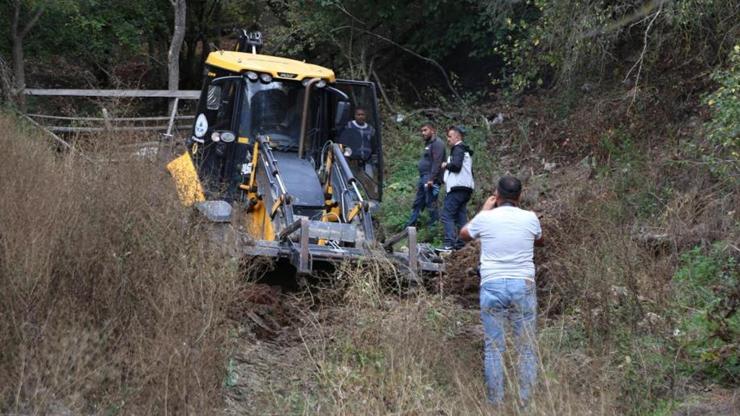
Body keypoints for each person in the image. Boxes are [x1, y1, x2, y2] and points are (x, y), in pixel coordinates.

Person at [460, 176, 544, 406]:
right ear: (520, 196)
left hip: (492, 284)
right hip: (523, 285)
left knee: (494, 348)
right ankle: (526, 403)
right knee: (526, 348)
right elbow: (540, 240)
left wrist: (485, 209)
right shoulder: (530, 218)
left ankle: (494, 403)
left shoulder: (486, 218)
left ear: (496, 195)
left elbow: (464, 234)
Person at [404, 123, 445, 227]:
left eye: (425, 130)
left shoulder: (437, 143)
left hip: (430, 178)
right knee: (418, 202)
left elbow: (437, 162)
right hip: (424, 177)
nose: (423, 133)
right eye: (422, 131)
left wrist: (431, 179)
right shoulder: (428, 143)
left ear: (433, 130)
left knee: (430, 202)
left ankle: (434, 228)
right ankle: (410, 226)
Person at [440, 126, 474, 250]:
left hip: (457, 189)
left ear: (457, 137)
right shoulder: (465, 151)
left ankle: (449, 243)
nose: (448, 139)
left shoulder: (458, 148)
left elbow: (456, 166)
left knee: (447, 215)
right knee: (461, 217)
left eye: (450, 136)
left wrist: (446, 165)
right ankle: (462, 244)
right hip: (466, 188)